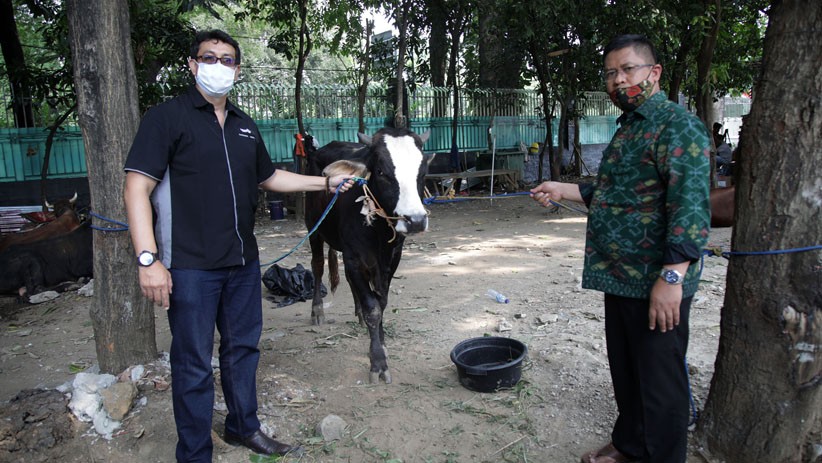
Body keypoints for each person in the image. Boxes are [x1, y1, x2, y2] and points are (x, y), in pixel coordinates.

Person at [123, 30, 354, 463]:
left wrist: (326, 182)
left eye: (227, 59)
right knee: (193, 363)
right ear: (193, 65)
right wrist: (148, 259)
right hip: (189, 266)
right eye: (209, 57)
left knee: (243, 350)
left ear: (237, 70)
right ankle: (195, 452)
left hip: (242, 262)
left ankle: (243, 427)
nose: (218, 65)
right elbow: (137, 187)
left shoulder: (244, 125)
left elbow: (270, 178)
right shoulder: (167, 118)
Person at [531, 34, 710, 463]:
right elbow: (617, 194)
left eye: (628, 69)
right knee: (628, 373)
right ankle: (631, 447)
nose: (618, 80)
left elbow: (691, 209)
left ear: (654, 72)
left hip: (657, 280)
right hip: (621, 276)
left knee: (660, 384)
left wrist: (672, 278)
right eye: (611, 73)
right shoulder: (631, 126)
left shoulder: (677, 126)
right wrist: (562, 188)